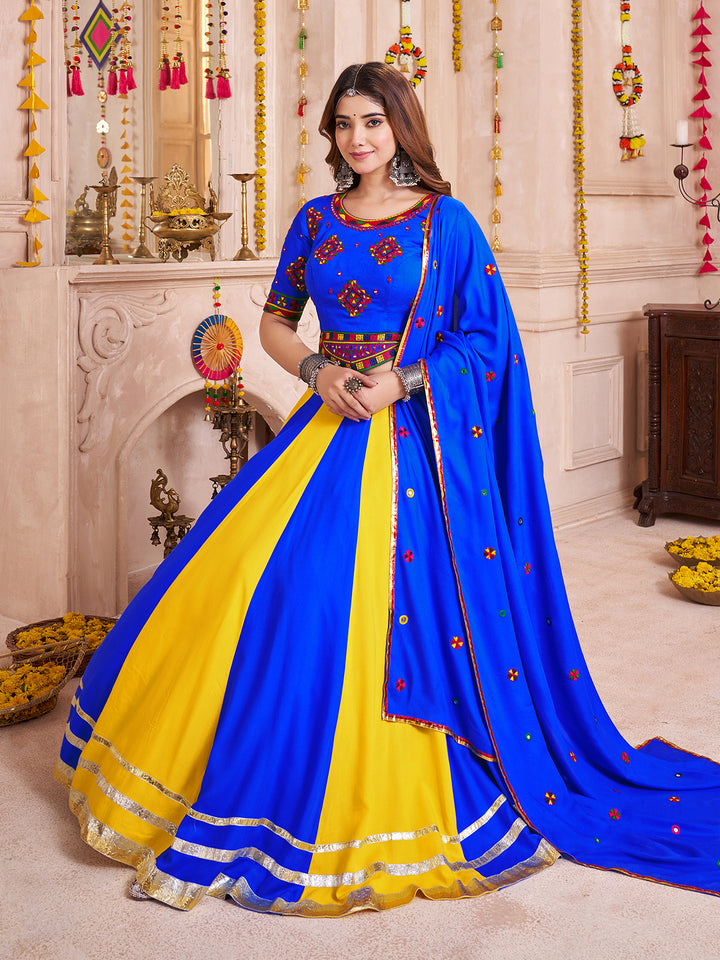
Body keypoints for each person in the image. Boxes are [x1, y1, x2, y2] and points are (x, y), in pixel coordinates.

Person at [55, 62, 720, 915]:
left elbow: (487, 344)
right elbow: (273, 321)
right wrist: (321, 368)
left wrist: (402, 381)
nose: (357, 139)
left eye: (372, 121)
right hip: (325, 427)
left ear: (401, 126)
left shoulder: (447, 226)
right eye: (342, 125)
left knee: (364, 601)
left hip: (410, 439)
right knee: (270, 588)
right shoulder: (314, 220)